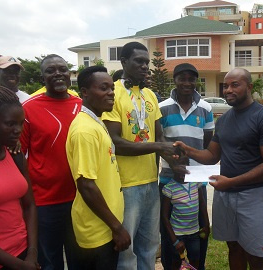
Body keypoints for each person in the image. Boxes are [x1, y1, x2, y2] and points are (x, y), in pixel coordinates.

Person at [175, 68, 263, 270]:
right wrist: (187, 150)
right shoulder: (224, 120)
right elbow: (212, 155)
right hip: (225, 196)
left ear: (249, 87)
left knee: (255, 254)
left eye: (235, 84)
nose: (228, 90)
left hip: (253, 195)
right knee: (233, 247)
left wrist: (231, 182)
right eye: (226, 86)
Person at [102, 42, 178, 270]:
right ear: (124, 62)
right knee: (127, 251)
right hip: (124, 185)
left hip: (149, 183)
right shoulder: (112, 93)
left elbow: (160, 135)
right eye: (139, 61)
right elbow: (116, 143)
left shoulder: (149, 95)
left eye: (147, 62)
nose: (146, 66)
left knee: (149, 246)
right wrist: (158, 146)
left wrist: (176, 161)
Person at [20, 54, 82, 270]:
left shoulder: (82, 106)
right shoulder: (28, 108)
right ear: (42, 77)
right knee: (49, 262)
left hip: (80, 199)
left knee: (79, 259)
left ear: (70, 74)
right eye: (50, 70)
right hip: (45, 202)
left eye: (62, 69)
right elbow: (19, 155)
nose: (58, 74)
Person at [66, 66, 131, 270]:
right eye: (104, 88)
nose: (111, 92)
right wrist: (117, 227)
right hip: (97, 231)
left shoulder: (96, 122)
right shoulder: (85, 130)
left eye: (112, 88)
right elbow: (86, 184)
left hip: (105, 227)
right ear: (84, 92)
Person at [159, 63, 214, 270]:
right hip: (168, 179)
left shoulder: (206, 108)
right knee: (169, 232)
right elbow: (159, 140)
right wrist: (174, 165)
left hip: (196, 180)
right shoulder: (162, 107)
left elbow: (207, 143)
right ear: (175, 80)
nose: (187, 83)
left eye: (192, 79)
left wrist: (198, 166)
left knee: (199, 232)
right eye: (182, 78)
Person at [0, 86, 39, 270]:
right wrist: (19, 266)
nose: (18, 130)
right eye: (10, 124)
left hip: (23, 252)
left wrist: (32, 252)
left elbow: (29, 204)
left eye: (21, 123)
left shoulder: (15, 154)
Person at [161, 151, 210, 270]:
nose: (182, 170)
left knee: (195, 260)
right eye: (178, 167)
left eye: (184, 166)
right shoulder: (169, 189)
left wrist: (207, 225)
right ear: (173, 168)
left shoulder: (195, 183)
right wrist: (175, 241)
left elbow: (202, 206)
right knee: (176, 262)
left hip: (194, 233)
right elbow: (164, 217)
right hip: (177, 235)